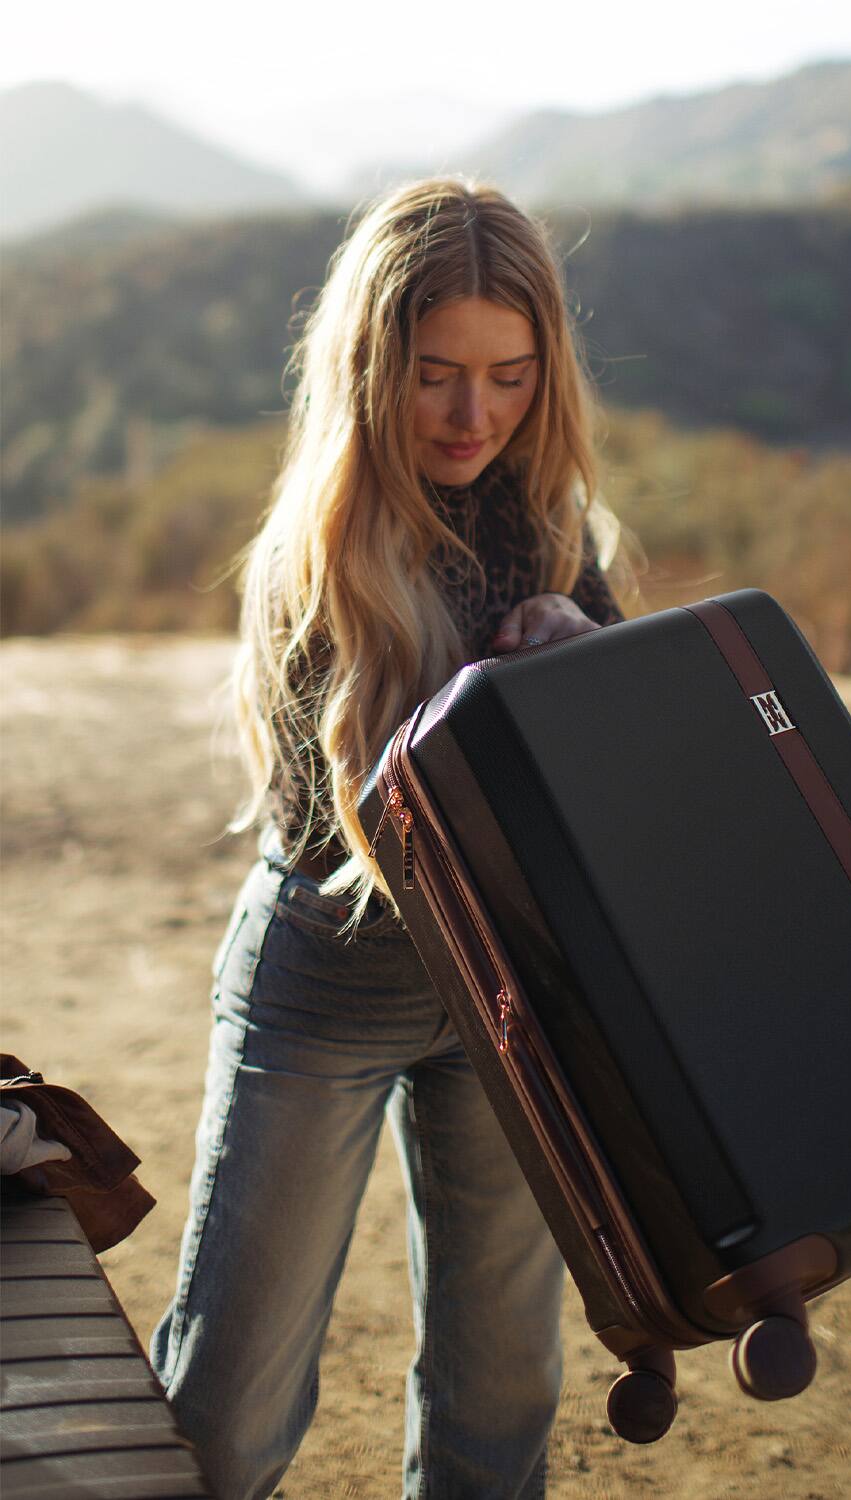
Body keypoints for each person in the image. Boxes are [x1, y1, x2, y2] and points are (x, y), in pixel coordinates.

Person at [148, 176, 629, 1500]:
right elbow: (368, 819)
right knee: (228, 1411)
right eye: (434, 376)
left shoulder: (551, 520)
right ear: (369, 369)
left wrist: (585, 650)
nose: (475, 416)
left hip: (507, 990)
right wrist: (512, 698)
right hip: (329, 976)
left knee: (501, 1397)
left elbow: (614, 772)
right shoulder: (315, 553)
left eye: (510, 376)